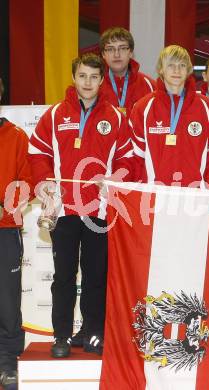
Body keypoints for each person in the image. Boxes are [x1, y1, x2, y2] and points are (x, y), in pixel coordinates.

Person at [28, 53, 133, 358]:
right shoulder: (55, 114)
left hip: (99, 211)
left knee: (96, 275)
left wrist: (112, 179)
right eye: (82, 76)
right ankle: (60, 336)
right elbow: (37, 152)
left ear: (102, 80)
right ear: (73, 77)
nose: (88, 82)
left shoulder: (115, 117)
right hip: (64, 211)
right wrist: (44, 183)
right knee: (63, 276)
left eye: (94, 77)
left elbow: (130, 160)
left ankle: (93, 331)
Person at [129, 44, 209, 187]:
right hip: (155, 198)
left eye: (182, 65)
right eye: (171, 65)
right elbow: (136, 156)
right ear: (161, 69)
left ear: (189, 70)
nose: (177, 70)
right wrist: (141, 193)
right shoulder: (143, 107)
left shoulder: (206, 107)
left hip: (195, 199)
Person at [0, 78, 32, 390]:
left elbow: (27, 181)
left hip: (5, 231)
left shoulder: (17, 136)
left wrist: (5, 206)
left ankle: (7, 361)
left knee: (7, 301)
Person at [99, 27, 156, 117]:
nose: (116, 54)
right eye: (110, 49)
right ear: (103, 54)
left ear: (131, 52)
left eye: (122, 48)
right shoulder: (94, 84)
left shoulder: (150, 86)